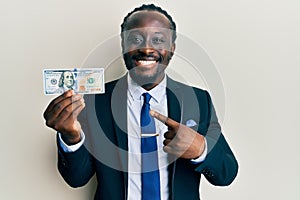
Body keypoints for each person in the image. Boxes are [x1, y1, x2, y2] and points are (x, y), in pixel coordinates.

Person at [43, 4, 238, 200]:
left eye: (158, 40)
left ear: (172, 48)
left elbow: (226, 174)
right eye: (135, 39)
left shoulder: (197, 99)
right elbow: (76, 179)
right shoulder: (95, 102)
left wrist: (200, 149)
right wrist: (71, 136)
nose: (146, 48)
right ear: (123, 45)